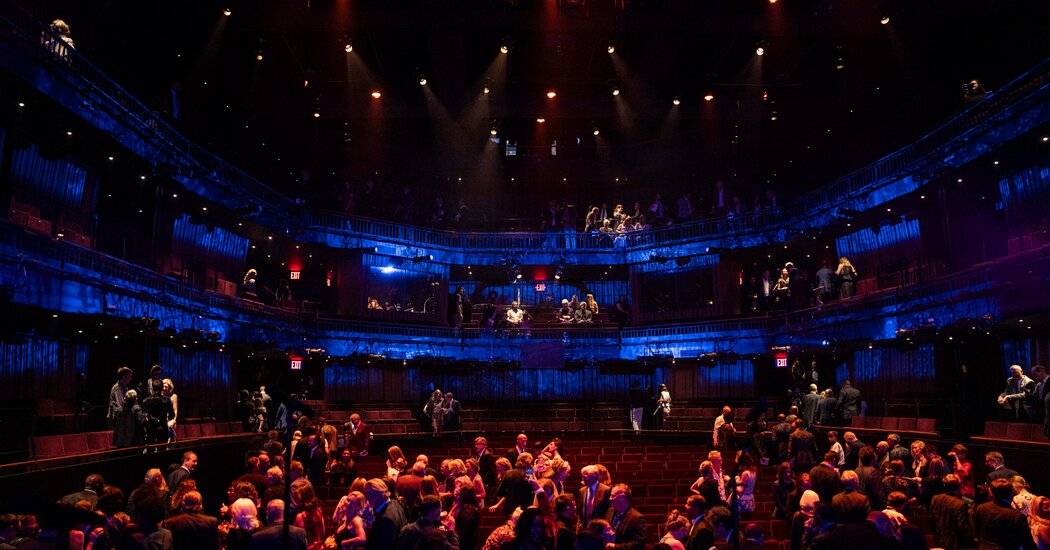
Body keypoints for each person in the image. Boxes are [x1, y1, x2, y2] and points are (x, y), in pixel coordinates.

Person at [973, 478, 1037, 550]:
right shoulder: (1017, 516)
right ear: (1011, 493)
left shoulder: (981, 508)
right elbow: (1027, 543)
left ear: (992, 492)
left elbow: (978, 533)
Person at [364, 479, 407, 550]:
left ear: (377, 495)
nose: (367, 499)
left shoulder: (386, 520)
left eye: (368, 495)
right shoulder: (396, 504)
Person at [604, 484, 646, 550]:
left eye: (612, 496)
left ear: (622, 497)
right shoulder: (610, 511)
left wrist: (615, 547)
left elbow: (639, 543)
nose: (610, 498)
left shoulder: (637, 518)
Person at [161, 379, 179, 444]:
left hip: (171, 421)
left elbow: (175, 410)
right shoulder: (159, 396)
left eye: (166, 387)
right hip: (162, 421)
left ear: (170, 388)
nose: (164, 388)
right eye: (163, 386)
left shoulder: (173, 396)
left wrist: (173, 420)